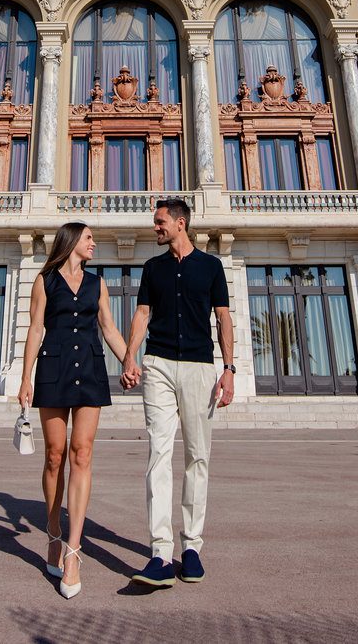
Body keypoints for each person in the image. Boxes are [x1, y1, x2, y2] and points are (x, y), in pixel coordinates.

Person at [121, 198, 234, 587]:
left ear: (180, 223)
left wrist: (229, 370)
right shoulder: (153, 268)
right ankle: (159, 553)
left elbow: (222, 317)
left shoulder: (211, 266)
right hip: (159, 366)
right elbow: (141, 314)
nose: (155, 228)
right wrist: (129, 357)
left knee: (197, 457)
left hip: (202, 369)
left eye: (160, 222)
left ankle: (191, 548)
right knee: (159, 453)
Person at [18, 221, 130, 599]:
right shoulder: (44, 281)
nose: (94, 244)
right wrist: (25, 378)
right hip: (53, 368)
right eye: (88, 239)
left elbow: (110, 328)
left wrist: (129, 361)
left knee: (82, 453)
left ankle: (73, 551)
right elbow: (35, 329)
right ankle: (53, 532)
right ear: (71, 243)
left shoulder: (99, 283)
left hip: (92, 372)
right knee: (54, 456)